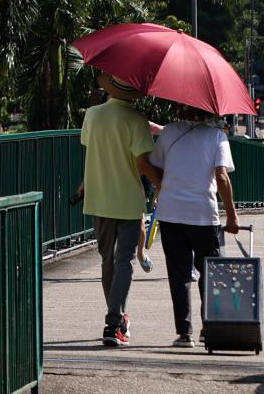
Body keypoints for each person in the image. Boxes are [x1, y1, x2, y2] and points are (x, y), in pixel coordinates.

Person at [81, 69, 164, 347]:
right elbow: (142, 164)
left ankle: (115, 316)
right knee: (124, 259)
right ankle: (114, 322)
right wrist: (162, 184)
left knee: (107, 260)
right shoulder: (136, 120)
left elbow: (90, 148)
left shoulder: (92, 115)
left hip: (98, 197)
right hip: (128, 199)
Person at [150, 105, 241, 347]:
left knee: (179, 275)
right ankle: (209, 328)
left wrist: (165, 188)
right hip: (203, 216)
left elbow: (155, 166)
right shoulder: (217, 136)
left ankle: (184, 333)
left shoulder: (169, 132)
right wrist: (232, 216)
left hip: (171, 214)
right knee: (211, 273)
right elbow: (221, 176)